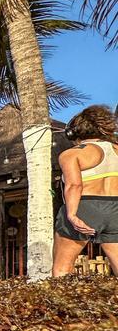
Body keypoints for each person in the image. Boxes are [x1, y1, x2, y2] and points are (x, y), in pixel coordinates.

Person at [53, 105, 118, 277]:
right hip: (115, 209)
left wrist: (72, 215)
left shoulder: (71, 154)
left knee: (62, 268)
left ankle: (59, 304)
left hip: (85, 205)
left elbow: (74, 185)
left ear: (74, 133)